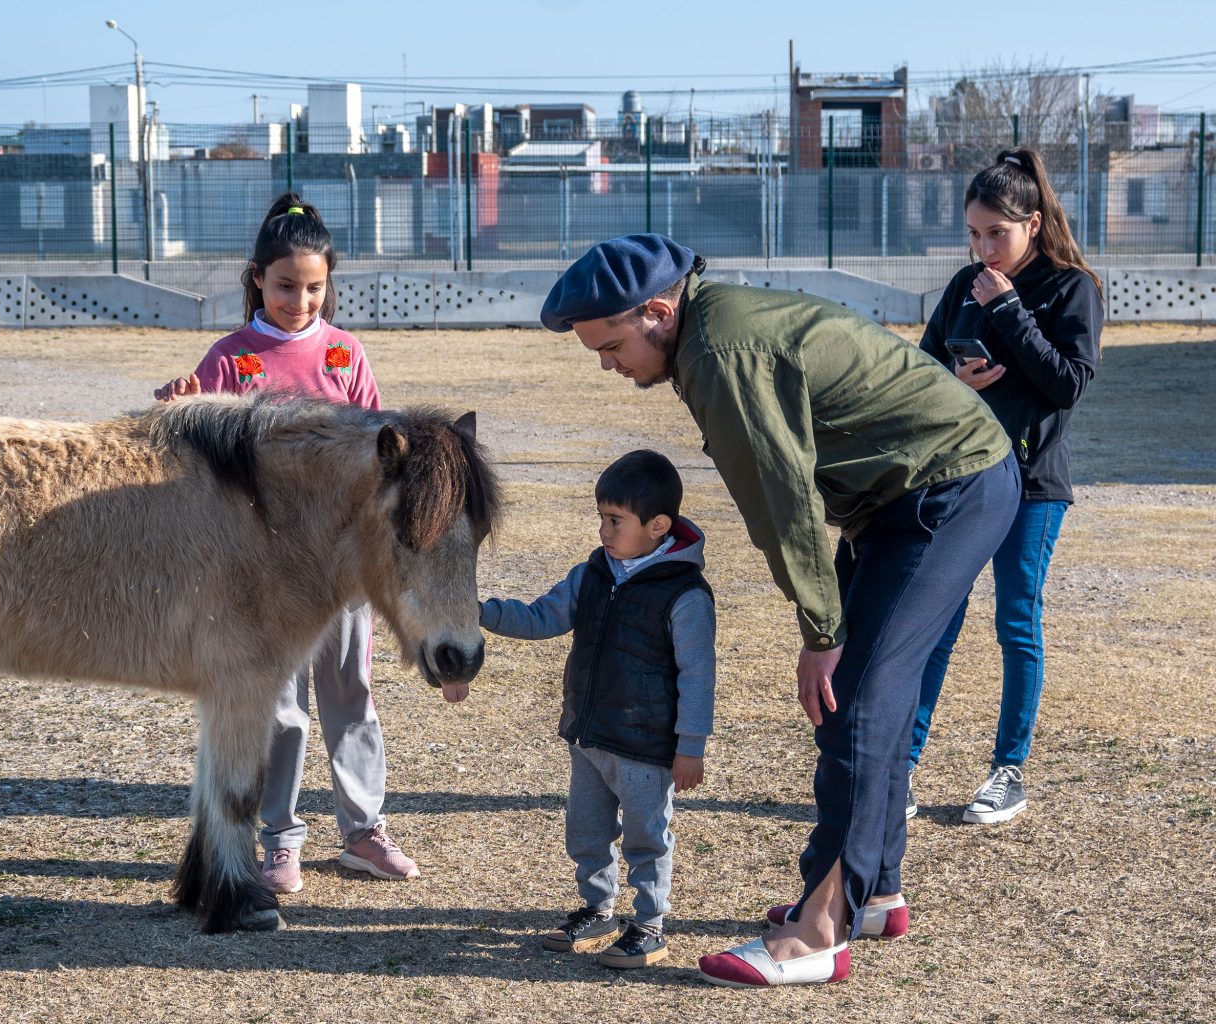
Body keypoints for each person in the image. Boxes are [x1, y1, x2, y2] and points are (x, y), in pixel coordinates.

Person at [540, 233, 1019, 987]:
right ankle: (873, 892)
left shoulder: (720, 356)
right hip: (906, 498)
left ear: (658, 312)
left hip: (947, 488)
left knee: (854, 701)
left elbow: (781, 500)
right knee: (863, 707)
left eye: (609, 344)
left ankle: (821, 934)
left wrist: (820, 630)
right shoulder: (711, 330)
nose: (605, 362)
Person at [154, 193, 418, 892]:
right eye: (283, 286)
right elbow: (195, 453)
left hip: (342, 568)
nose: (298, 300)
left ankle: (364, 832)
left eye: (313, 287)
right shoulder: (229, 359)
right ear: (256, 280)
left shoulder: (345, 354)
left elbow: (378, 454)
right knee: (276, 704)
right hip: (261, 571)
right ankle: (279, 838)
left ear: (328, 284)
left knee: (351, 694)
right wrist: (178, 407)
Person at [906, 149, 1102, 826]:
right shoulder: (964, 284)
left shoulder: (1070, 287)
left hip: (1033, 484)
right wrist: (953, 381)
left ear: (1034, 224)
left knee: (1016, 621)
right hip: (962, 480)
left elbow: (1069, 383)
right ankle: (899, 768)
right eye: (974, 234)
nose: (984, 248)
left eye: (998, 233)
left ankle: (1006, 772)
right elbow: (919, 371)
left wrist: (1013, 310)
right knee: (935, 623)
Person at [465, 450, 716, 970]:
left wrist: (690, 748)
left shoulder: (686, 595)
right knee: (585, 830)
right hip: (589, 736)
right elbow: (541, 617)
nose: (603, 530)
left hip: (646, 746)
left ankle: (649, 924)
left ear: (658, 525)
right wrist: (482, 612)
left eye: (615, 520)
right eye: (601, 517)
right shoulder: (593, 573)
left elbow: (698, 676)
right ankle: (598, 907)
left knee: (648, 836)